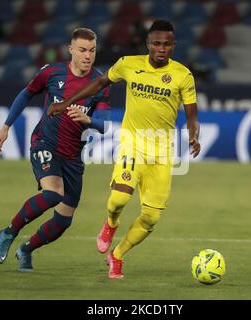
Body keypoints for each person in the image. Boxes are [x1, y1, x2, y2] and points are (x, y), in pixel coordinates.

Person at [48, 20, 200, 279]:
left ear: (173, 46)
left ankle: (117, 255)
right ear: (148, 44)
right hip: (133, 142)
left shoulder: (183, 75)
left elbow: (191, 114)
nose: (161, 48)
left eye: (167, 44)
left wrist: (194, 134)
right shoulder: (128, 64)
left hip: (163, 153)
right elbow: (98, 85)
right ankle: (111, 224)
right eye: (156, 43)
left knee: (151, 219)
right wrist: (66, 103)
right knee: (119, 199)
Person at [0, 28, 110, 272]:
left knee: (63, 220)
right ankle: (8, 232)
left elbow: (105, 124)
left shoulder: (100, 83)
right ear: (71, 50)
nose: (88, 55)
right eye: (82, 50)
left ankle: (26, 249)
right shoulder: (51, 72)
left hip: (73, 155)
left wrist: (89, 120)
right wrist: (5, 127)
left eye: (92, 50)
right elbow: (26, 94)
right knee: (53, 193)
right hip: (44, 143)